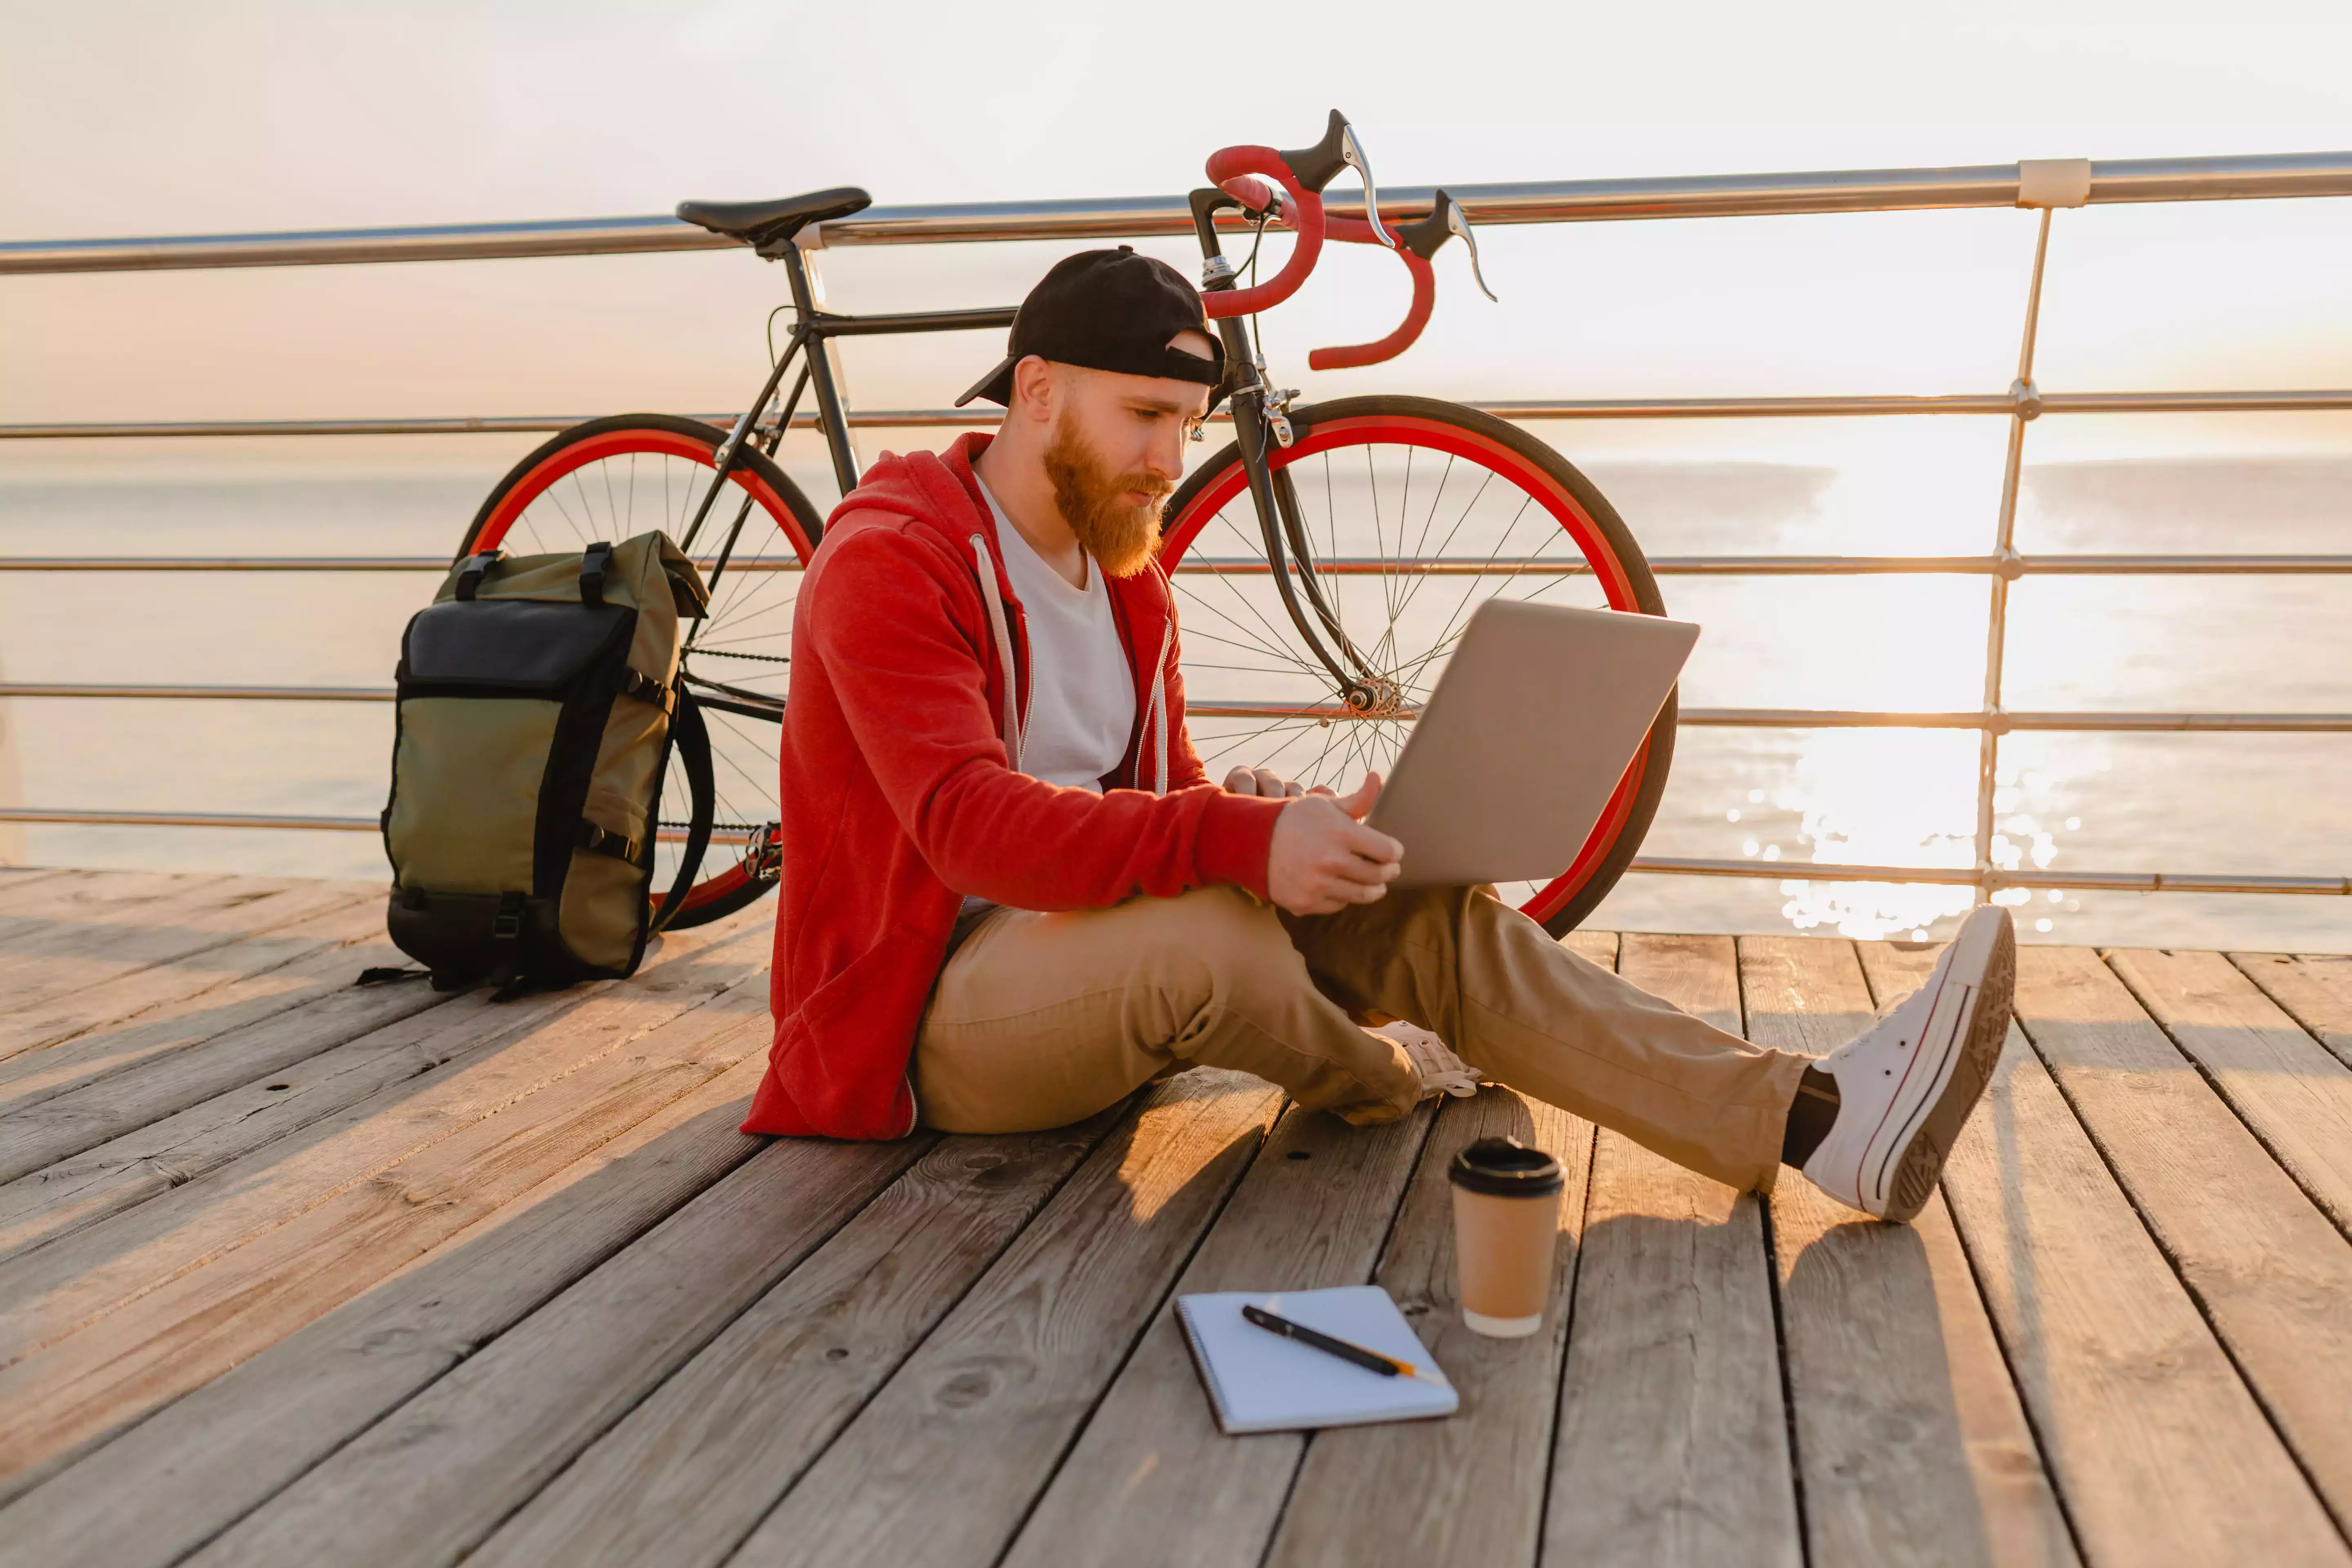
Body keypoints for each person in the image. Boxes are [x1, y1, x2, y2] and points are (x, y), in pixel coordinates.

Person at [744, 246, 2014, 1223]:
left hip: (1093, 960)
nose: (1168, 458)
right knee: (1211, 939)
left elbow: (1148, 793)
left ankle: (1818, 1123)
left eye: (1186, 425)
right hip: (926, 1024)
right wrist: (1233, 841)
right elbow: (972, 830)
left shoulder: (1126, 571)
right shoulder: (895, 559)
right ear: (1035, 393)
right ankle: (1384, 1075)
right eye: (1143, 417)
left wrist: (1264, 814)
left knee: (1423, 906)